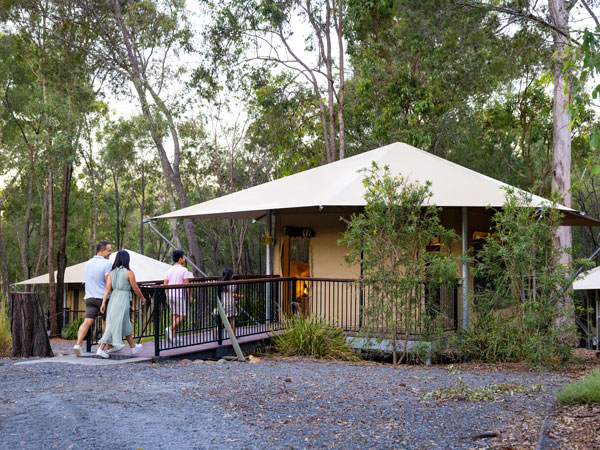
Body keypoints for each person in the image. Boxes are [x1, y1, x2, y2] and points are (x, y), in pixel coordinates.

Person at [74, 241, 121, 357]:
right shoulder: (107, 264)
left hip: (89, 297)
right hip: (103, 299)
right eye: (109, 250)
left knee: (87, 322)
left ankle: (78, 344)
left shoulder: (88, 263)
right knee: (107, 323)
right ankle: (103, 349)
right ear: (102, 251)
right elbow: (108, 282)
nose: (110, 253)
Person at [96, 250, 146, 358]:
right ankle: (101, 349)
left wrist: (103, 303)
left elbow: (107, 289)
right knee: (114, 324)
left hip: (114, 298)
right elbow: (136, 288)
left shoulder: (111, 273)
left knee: (125, 322)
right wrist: (142, 298)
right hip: (123, 299)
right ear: (127, 259)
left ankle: (132, 347)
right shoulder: (129, 272)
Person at [164, 250, 193, 343]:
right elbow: (187, 284)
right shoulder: (184, 270)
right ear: (180, 259)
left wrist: (167, 295)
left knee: (175, 315)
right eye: (184, 257)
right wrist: (190, 296)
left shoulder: (169, 270)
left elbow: (165, 284)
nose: (184, 259)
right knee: (183, 315)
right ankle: (170, 329)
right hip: (178, 295)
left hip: (170, 295)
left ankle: (173, 337)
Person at [219, 267, 242, 336]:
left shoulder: (222, 284)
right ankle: (233, 335)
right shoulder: (232, 284)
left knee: (223, 319)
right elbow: (232, 294)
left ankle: (217, 333)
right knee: (232, 319)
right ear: (230, 275)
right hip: (231, 303)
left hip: (224, 303)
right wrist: (240, 296)